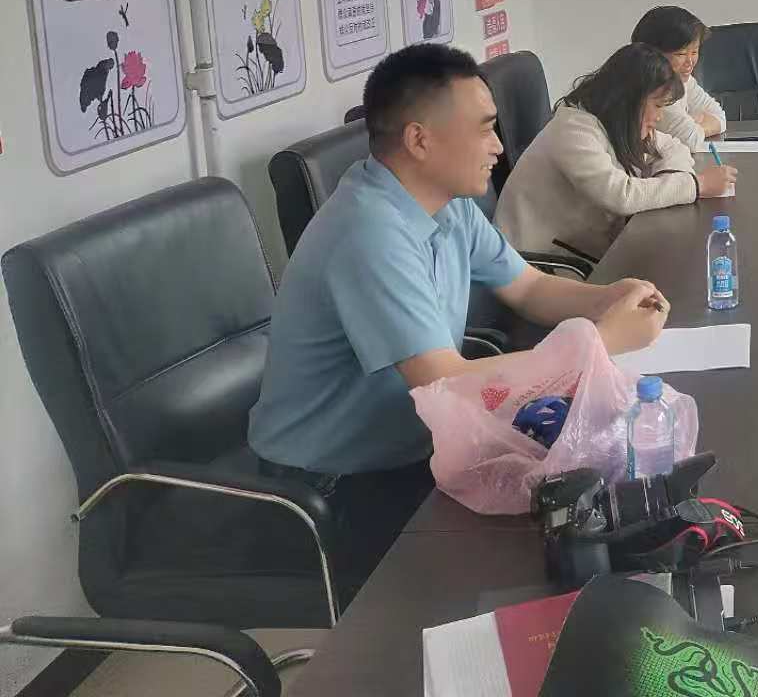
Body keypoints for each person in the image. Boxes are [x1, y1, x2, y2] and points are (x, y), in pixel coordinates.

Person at [249, 44, 671, 602]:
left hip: (413, 443)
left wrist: (605, 298)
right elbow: (444, 382)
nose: (499, 146)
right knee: (517, 564)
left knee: (590, 502)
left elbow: (529, 287)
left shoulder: (445, 202)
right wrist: (602, 339)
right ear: (420, 140)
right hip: (332, 485)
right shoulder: (370, 233)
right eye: (485, 128)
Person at [495, 43, 737, 262]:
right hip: (539, 263)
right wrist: (697, 185)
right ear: (630, 100)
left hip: (583, 249)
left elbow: (674, 147)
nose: (659, 117)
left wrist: (672, 177)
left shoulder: (614, 122)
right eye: (657, 105)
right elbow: (620, 195)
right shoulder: (573, 129)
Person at [632, 5, 726, 154]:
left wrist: (695, 126)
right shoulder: (654, 89)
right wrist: (697, 122)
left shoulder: (684, 80)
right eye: (681, 54)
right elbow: (690, 140)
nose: (690, 62)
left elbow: (720, 117)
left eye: (694, 52)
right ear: (652, 54)